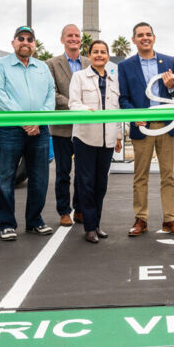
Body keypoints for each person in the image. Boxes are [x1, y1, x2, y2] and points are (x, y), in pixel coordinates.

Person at [0, 26, 56, 241]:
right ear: (13, 42)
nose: (25, 42)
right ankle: (7, 224)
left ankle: (35, 221)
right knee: (6, 178)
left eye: (30, 39)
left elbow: (50, 95)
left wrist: (39, 120)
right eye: (21, 38)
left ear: (34, 44)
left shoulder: (43, 67)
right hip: (10, 129)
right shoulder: (0, 65)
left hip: (40, 129)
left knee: (39, 178)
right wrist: (26, 120)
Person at [119, 22, 174, 237]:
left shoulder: (169, 61)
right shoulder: (126, 66)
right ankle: (141, 219)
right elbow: (124, 99)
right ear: (134, 40)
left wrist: (170, 87)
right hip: (142, 127)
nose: (144, 38)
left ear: (154, 38)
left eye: (148, 34)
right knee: (140, 176)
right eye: (140, 35)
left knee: (168, 175)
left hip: (165, 125)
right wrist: (135, 116)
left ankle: (170, 220)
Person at [69, 40, 123, 243]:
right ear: (89, 55)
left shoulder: (113, 80)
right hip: (85, 138)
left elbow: (116, 111)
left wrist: (117, 136)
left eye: (103, 52)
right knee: (86, 183)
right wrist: (87, 111)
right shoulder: (79, 77)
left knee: (101, 184)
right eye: (95, 52)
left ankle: (97, 224)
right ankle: (89, 227)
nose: (99, 55)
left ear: (108, 56)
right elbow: (73, 104)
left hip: (107, 140)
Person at [47, 24, 90, 227]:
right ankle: (64, 211)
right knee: (63, 172)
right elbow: (52, 94)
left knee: (83, 172)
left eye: (76, 35)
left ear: (80, 39)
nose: (74, 38)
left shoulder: (90, 63)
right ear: (62, 39)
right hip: (62, 127)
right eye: (69, 35)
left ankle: (80, 209)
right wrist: (76, 106)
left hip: (86, 128)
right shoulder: (51, 64)